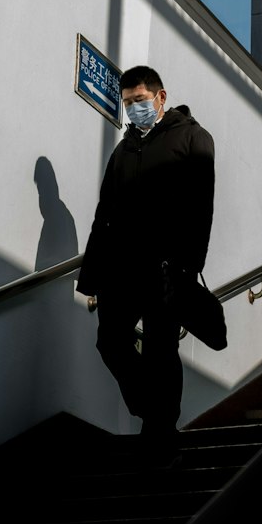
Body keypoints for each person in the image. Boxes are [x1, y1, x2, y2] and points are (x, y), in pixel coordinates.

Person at [76, 65, 215, 460]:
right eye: (128, 103)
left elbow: (201, 206)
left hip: (168, 265)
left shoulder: (193, 138)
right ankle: (152, 409)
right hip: (121, 268)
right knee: (110, 340)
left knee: (160, 346)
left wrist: (189, 264)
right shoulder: (124, 150)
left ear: (160, 98)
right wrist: (93, 275)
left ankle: (160, 426)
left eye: (139, 101)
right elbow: (105, 213)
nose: (134, 109)